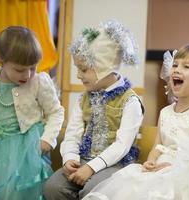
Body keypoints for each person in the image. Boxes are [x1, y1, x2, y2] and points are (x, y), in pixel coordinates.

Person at [83, 44, 189, 200]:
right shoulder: (165, 112)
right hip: (159, 170)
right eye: (175, 65)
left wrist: (177, 169)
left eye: (186, 67)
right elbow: (157, 147)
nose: (177, 70)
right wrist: (150, 161)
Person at [43, 20, 144, 200]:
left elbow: (122, 145)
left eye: (83, 69)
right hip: (83, 159)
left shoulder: (130, 101)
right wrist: (69, 158)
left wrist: (91, 167)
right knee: (52, 188)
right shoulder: (84, 98)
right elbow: (73, 133)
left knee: (94, 189)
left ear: (104, 68)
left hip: (115, 164)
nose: (78, 75)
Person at [0, 26, 64, 199]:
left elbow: (55, 112)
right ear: (1, 61)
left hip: (26, 150)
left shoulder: (39, 82)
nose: (28, 75)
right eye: (20, 69)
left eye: (33, 68)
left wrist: (47, 139)